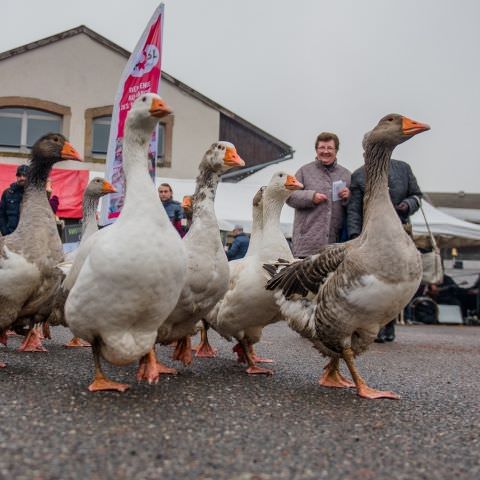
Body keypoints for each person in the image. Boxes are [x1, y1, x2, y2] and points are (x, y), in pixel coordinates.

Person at [347, 152, 422, 342]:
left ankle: (389, 325)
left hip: (399, 232)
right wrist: (355, 236)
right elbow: (354, 208)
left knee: (397, 279)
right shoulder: (358, 175)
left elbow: (417, 196)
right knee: (375, 281)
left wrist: (407, 204)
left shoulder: (403, 168)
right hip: (372, 235)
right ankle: (373, 325)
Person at [286, 132, 351, 257]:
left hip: (335, 245)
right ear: (316, 150)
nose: (325, 151)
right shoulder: (304, 171)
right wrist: (311, 197)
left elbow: (354, 207)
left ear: (336, 150)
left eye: (329, 148)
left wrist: (348, 196)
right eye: (322, 147)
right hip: (306, 244)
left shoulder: (346, 174)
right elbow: (289, 196)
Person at [0, 164, 29, 235]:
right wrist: (5, 231)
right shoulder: (7, 193)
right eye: (19, 175)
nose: (22, 178)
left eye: (25, 175)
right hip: (10, 236)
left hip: (28, 238)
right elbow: (1, 215)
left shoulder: (34, 195)